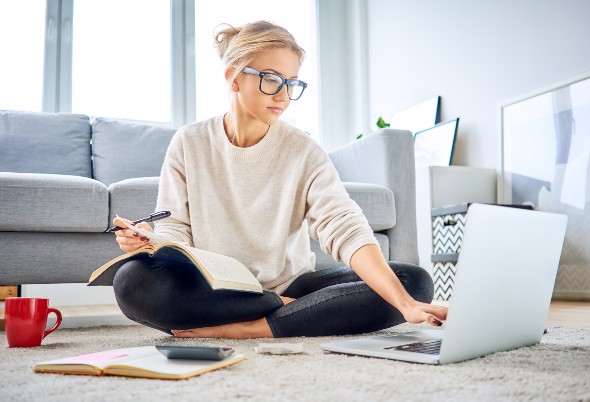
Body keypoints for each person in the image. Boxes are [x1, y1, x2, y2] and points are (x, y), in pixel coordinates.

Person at [111, 20, 447, 339]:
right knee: (132, 281)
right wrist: (154, 243)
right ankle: (292, 314)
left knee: (413, 283)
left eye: (292, 82)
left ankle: (250, 326)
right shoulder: (189, 142)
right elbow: (175, 228)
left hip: (291, 286)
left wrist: (405, 304)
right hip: (214, 287)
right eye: (271, 79)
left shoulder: (304, 150)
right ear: (234, 78)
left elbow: (343, 224)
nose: (283, 94)